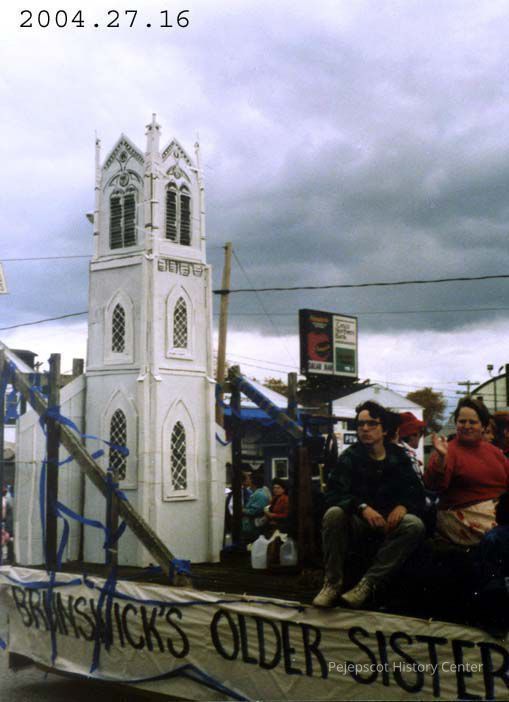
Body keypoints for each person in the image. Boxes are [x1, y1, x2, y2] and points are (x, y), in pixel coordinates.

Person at [313, 401, 425, 609]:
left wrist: (403, 506)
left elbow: (417, 493)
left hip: (390, 523)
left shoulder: (398, 456)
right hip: (358, 522)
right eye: (360, 424)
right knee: (334, 513)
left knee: (414, 524)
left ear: (385, 429)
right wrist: (361, 507)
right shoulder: (350, 456)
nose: (365, 428)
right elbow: (333, 493)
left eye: (372, 423)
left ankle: (367, 584)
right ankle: (332, 584)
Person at [425, 397, 509, 546]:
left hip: (498, 510)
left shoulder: (494, 452)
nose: (467, 426)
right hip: (460, 514)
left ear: (483, 426)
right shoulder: (447, 451)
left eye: (473, 422)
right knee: (501, 536)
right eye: (462, 421)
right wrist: (441, 459)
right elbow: (434, 485)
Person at [242, 473, 270, 541]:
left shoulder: (259, 495)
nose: (247, 480)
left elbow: (255, 511)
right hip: (251, 527)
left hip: (254, 528)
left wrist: (243, 510)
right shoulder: (255, 493)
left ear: (253, 482)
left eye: (249, 479)